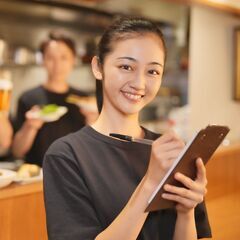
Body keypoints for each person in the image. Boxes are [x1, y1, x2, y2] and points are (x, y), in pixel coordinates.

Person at [43, 17, 212, 240]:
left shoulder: (172, 152)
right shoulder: (66, 155)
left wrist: (186, 212)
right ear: (98, 67)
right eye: (126, 66)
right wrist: (150, 183)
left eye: (152, 71)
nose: (139, 83)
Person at [12, 32, 93, 167]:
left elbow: (92, 150)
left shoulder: (84, 101)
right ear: (42, 60)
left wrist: (92, 121)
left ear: (73, 60)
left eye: (63, 58)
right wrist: (30, 126)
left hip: (74, 173)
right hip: (38, 175)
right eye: (50, 58)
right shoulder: (28, 98)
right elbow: (17, 152)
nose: (57, 65)